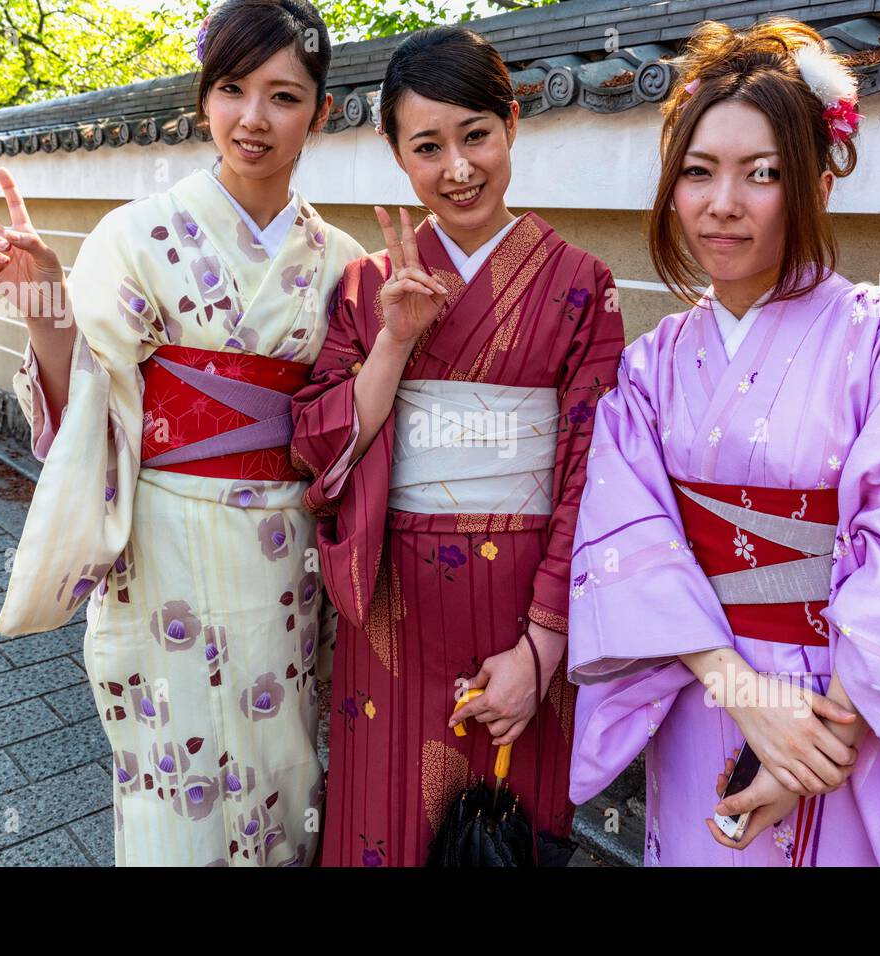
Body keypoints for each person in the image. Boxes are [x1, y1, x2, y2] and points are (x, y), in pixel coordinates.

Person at [565, 17, 880, 866]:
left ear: (815, 181)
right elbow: (629, 544)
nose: (722, 204)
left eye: (762, 174)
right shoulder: (651, 367)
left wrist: (824, 742)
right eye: (698, 173)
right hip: (706, 691)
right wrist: (743, 694)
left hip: (851, 709)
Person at [0, 0, 364, 866]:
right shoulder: (134, 237)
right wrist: (45, 310)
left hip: (289, 558)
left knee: (287, 767)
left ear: (321, 112)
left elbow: (352, 429)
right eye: (233, 89)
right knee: (171, 781)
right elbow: (92, 400)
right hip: (163, 546)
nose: (254, 118)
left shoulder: (345, 263)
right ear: (203, 99)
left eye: (284, 96)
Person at [291, 26, 625, 866]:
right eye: (428, 147)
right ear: (398, 156)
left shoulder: (581, 284)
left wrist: (544, 646)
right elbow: (317, 442)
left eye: (476, 134)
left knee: (501, 833)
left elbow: (594, 471)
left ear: (513, 122)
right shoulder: (369, 285)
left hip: (523, 604)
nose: (459, 168)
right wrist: (394, 342)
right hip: (393, 603)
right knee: (383, 822)